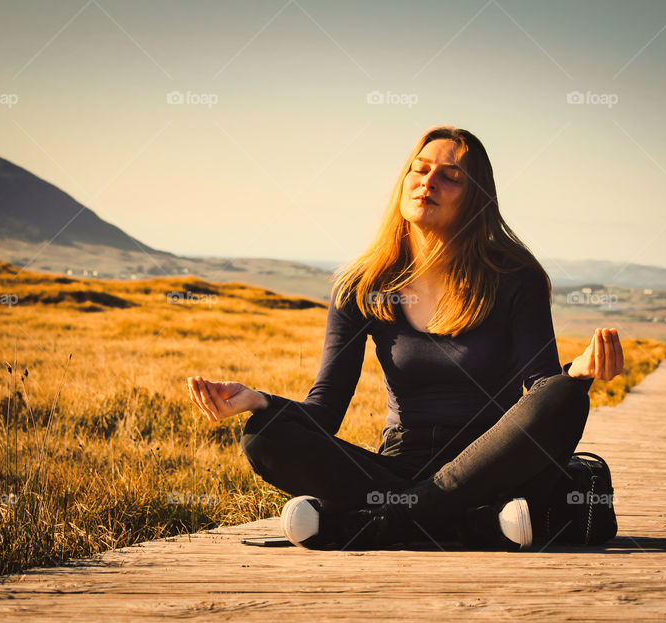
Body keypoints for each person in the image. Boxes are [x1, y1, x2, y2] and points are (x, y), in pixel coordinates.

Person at [187, 126, 623, 551]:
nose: (428, 183)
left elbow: (539, 391)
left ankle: (376, 525)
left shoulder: (514, 278)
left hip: (491, 463)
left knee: (564, 397)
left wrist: (577, 375)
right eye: (419, 170)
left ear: (476, 198)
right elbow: (325, 409)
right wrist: (259, 401)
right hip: (398, 464)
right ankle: (476, 523)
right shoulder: (361, 286)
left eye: (450, 177)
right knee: (264, 437)